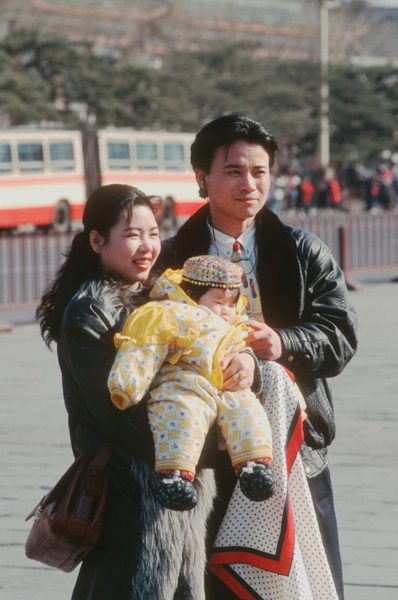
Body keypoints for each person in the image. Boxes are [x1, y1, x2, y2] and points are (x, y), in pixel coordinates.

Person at [157, 112, 358, 600]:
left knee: (304, 577)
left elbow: (340, 335)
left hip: (293, 446)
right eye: (233, 171)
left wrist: (283, 344)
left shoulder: (303, 251)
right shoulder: (169, 260)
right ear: (201, 178)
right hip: (200, 453)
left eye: (259, 171)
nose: (249, 183)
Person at [35, 184, 221, 600]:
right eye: (133, 234)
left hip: (175, 485)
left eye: (154, 233)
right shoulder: (88, 309)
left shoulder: (160, 297)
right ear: (97, 241)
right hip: (127, 493)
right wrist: (212, 448)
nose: (148, 246)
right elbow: (119, 417)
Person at [108, 255, 278, 511]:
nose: (226, 311)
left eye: (231, 305)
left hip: (223, 386)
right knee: (182, 415)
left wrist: (246, 359)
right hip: (183, 384)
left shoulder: (234, 324)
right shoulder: (170, 312)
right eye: (218, 302)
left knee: (247, 408)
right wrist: (127, 384)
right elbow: (144, 346)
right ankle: (174, 476)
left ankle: (254, 465)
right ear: (189, 293)